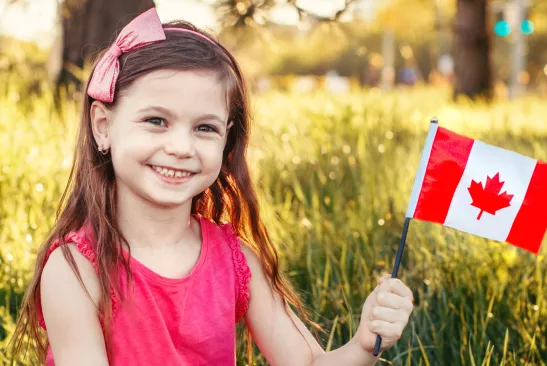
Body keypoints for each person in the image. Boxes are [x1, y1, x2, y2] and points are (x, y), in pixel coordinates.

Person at [8, 8, 414, 366]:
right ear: (103, 126)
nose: (181, 148)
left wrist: (364, 344)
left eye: (204, 128)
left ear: (226, 138)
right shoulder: (77, 268)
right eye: (156, 121)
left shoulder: (234, 259)